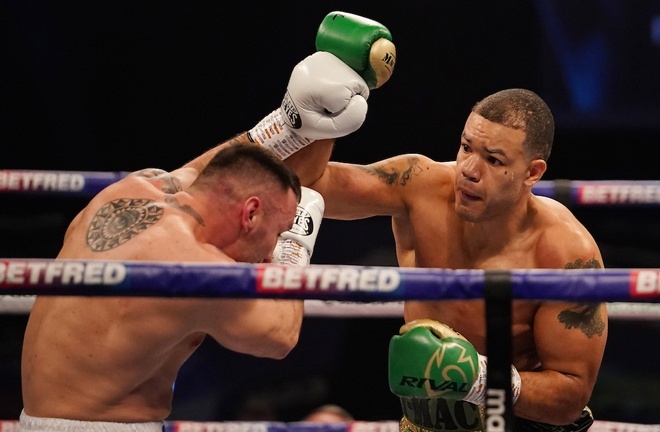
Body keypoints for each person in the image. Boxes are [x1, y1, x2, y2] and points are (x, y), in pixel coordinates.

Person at [240, 80, 607, 430]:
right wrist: (317, 117)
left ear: (533, 173)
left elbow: (571, 395)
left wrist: (477, 378)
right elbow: (305, 183)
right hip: (423, 425)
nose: (469, 171)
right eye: (466, 147)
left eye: (494, 160)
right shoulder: (420, 187)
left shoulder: (565, 252)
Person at [18, 142, 322, 431]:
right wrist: (295, 247)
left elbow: (199, 169)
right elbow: (281, 336)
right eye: (278, 232)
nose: (269, 253)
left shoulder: (122, 194)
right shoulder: (199, 269)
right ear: (251, 214)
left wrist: (283, 125)